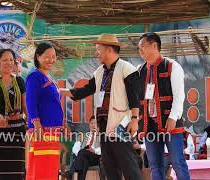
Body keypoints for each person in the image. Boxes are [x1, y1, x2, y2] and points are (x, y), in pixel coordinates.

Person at [60, 34, 142, 180]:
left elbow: (135, 97)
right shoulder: (99, 72)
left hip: (121, 125)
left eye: (99, 49)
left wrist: (134, 119)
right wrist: (60, 91)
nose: (96, 52)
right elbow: (84, 91)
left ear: (109, 50)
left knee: (128, 164)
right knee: (109, 166)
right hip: (103, 125)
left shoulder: (127, 69)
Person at [137, 32, 190, 180]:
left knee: (177, 161)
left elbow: (180, 96)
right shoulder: (140, 70)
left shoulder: (172, 66)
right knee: (155, 165)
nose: (140, 51)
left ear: (154, 46)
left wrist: (173, 117)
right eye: (139, 48)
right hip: (149, 124)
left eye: (142, 47)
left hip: (170, 121)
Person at [0, 48, 28, 180]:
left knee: (17, 169)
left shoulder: (19, 81)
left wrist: (30, 121)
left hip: (18, 130)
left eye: (11, 60)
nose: (9, 63)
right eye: (5, 60)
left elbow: (25, 105)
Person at [25, 42, 64, 180]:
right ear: (38, 57)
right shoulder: (34, 77)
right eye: (47, 56)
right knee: (40, 166)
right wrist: (36, 123)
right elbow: (30, 101)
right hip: (41, 129)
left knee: (50, 167)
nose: (51, 60)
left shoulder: (49, 78)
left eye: (53, 57)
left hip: (52, 129)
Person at [64, 116, 101, 180]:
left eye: (95, 123)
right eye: (91, 123)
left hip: (96, 157)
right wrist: (81, 155)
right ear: (89, 124)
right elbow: (75, 148)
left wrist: (94, 150)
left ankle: (71, 172)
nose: (93, 125)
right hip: (84, 157)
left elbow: (103, 149)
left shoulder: (101, 135)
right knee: (84, 161)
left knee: (83, 152)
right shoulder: (83, 135)